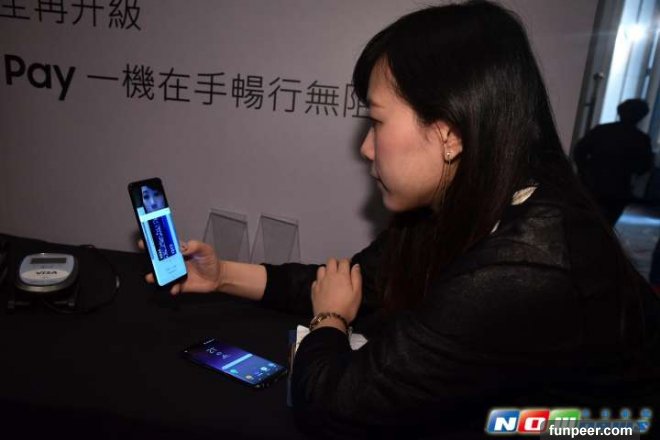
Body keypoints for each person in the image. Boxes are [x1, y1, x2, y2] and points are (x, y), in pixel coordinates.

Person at [141, 1, 660, 438]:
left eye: (377, 121)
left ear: (450, 133)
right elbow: (355, 282)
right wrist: (223, 276)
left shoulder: (524, 265)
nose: (366, 148)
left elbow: (335, 405)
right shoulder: (464, 203)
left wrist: (330, 320)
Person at [574, 98, 653, 225]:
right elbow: (644, 167)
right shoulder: (641, 139)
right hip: (619, 187)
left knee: (583, 221)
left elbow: (579, 151)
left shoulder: (601, 130)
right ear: (641, 116)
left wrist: (583, 172)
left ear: (619, 112)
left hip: (592, 182)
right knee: (607, 224)